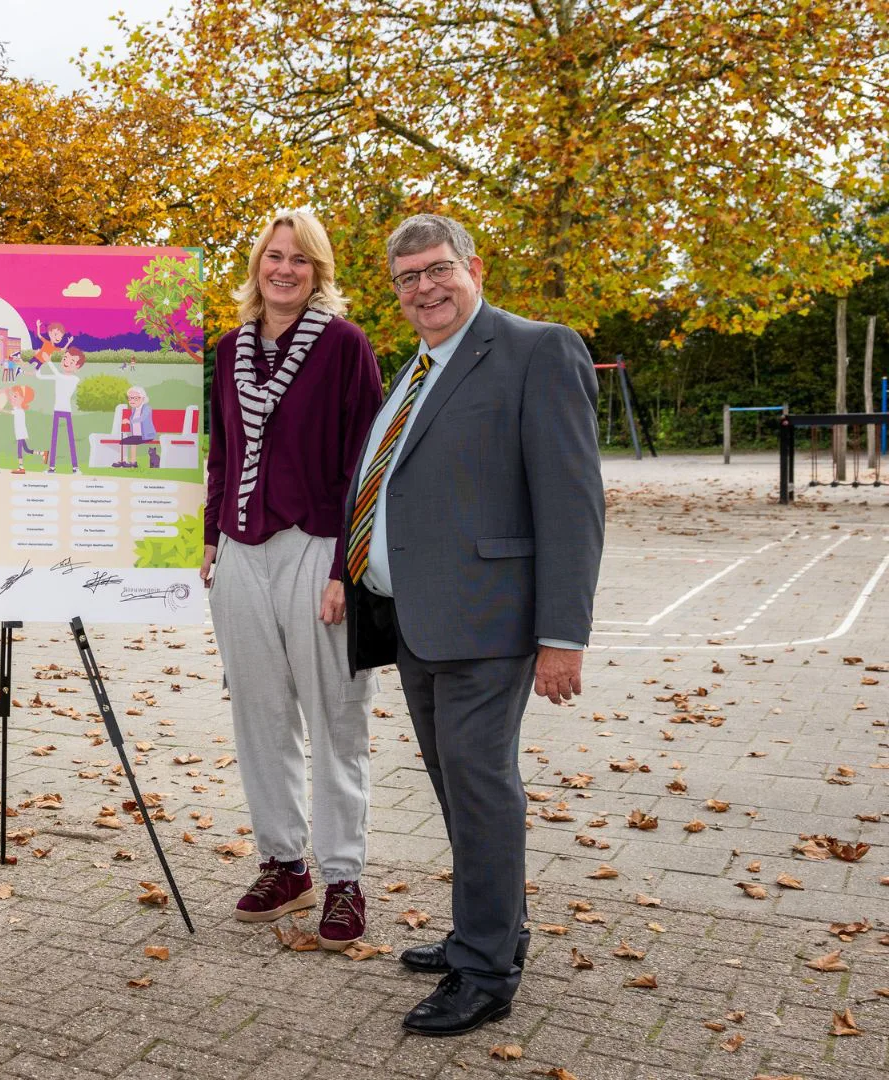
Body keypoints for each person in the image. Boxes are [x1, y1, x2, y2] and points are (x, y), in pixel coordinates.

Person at [341, 213, 602, 1036]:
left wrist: (564, 634)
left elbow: (573, 503)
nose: (425, 288)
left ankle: (486, 973)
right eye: (408, 278)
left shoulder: (536, 349)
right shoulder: (416, 371)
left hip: (490, 624)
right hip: (416, 622)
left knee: (482, 791)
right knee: (461, 790)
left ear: (474, 267)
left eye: (437, 269)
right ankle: (489, 931)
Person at [201, 209, 383, 953]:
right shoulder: (227, 350)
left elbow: (365, 464)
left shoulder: (344, 346)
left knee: (337, 718)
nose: (284, 270)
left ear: (318, 272)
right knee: (261, 717)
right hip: (242, 549)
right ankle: (286, 863)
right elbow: (223, 451)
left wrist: (348, 565)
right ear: (257, 267)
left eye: (299, 260)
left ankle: (344, 877)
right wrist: (211, 536)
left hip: (316, 546)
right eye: (274, 257)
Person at [34, 345, 85, 473]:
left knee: (70, 439)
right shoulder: (59, 376)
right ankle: (51, 467)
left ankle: (75, 467)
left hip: (66, 411)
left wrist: (49, 361)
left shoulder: (74, 378)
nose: (66, 362)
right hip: (57, 410)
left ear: (77, 367)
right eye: (65, 358)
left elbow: (58, 375)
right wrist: (40, 362)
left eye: (71, 361)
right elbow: (40, 376)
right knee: (54, 439)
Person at [116, 385, 158, 468]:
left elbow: (142, 418)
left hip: (147, 435)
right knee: (124, 441)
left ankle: (131, 462)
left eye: (135, 398)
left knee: (130, 441)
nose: (132, 401)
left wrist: (129, 421)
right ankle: (130, 462)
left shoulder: (147, 408)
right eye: (130, 398)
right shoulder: (134, 409)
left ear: (142, 398)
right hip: (137, 436)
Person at [7, 384, 36, 473]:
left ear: (22, 399)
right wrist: (8, 393)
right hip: (20, 433)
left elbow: (9, 410)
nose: (13, 398)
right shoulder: (17, 408)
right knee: (26, 449)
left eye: (16, 396)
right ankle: (43, 453)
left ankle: (21, 468)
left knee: (19, 449)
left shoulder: (19, 411)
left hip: (20, 433)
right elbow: (12, 402)